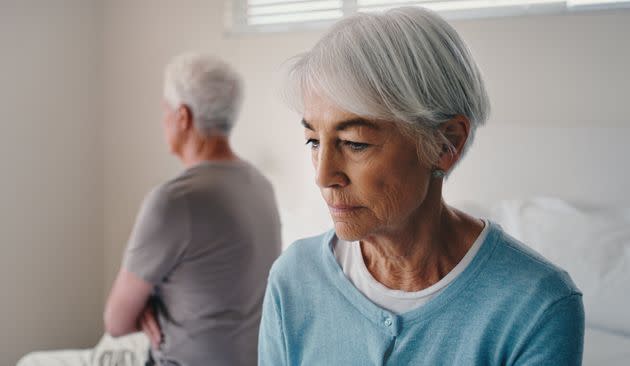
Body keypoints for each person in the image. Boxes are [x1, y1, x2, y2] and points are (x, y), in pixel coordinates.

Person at [258, 7, 584, 365]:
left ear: (446, 145)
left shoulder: (536, 308)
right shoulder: (293, 278)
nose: (323, 176)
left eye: (355, 143)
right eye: (313, 141)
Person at [104, 53, 282, 366]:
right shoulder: (261, 186)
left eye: (165, 112)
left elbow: (115, 323)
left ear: (183, 117)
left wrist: (148, 306)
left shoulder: (173, 201)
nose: (163, 121)